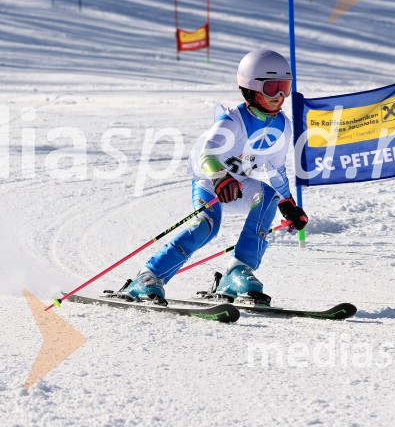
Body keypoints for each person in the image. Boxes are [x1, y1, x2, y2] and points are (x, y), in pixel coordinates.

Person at [119, 50, 309, 303]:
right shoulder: (232, 120)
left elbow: (275, 170)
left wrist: (288, 203)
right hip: (210, 182)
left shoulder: (282, 125)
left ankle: (238, 271)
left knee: (269, 196)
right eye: (272, 87)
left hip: (238, 185)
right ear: (251, 88)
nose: (280, 96)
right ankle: (147, 278)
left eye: (284, 87)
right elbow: (207, 155)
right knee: (207, 227)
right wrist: (221, 178)